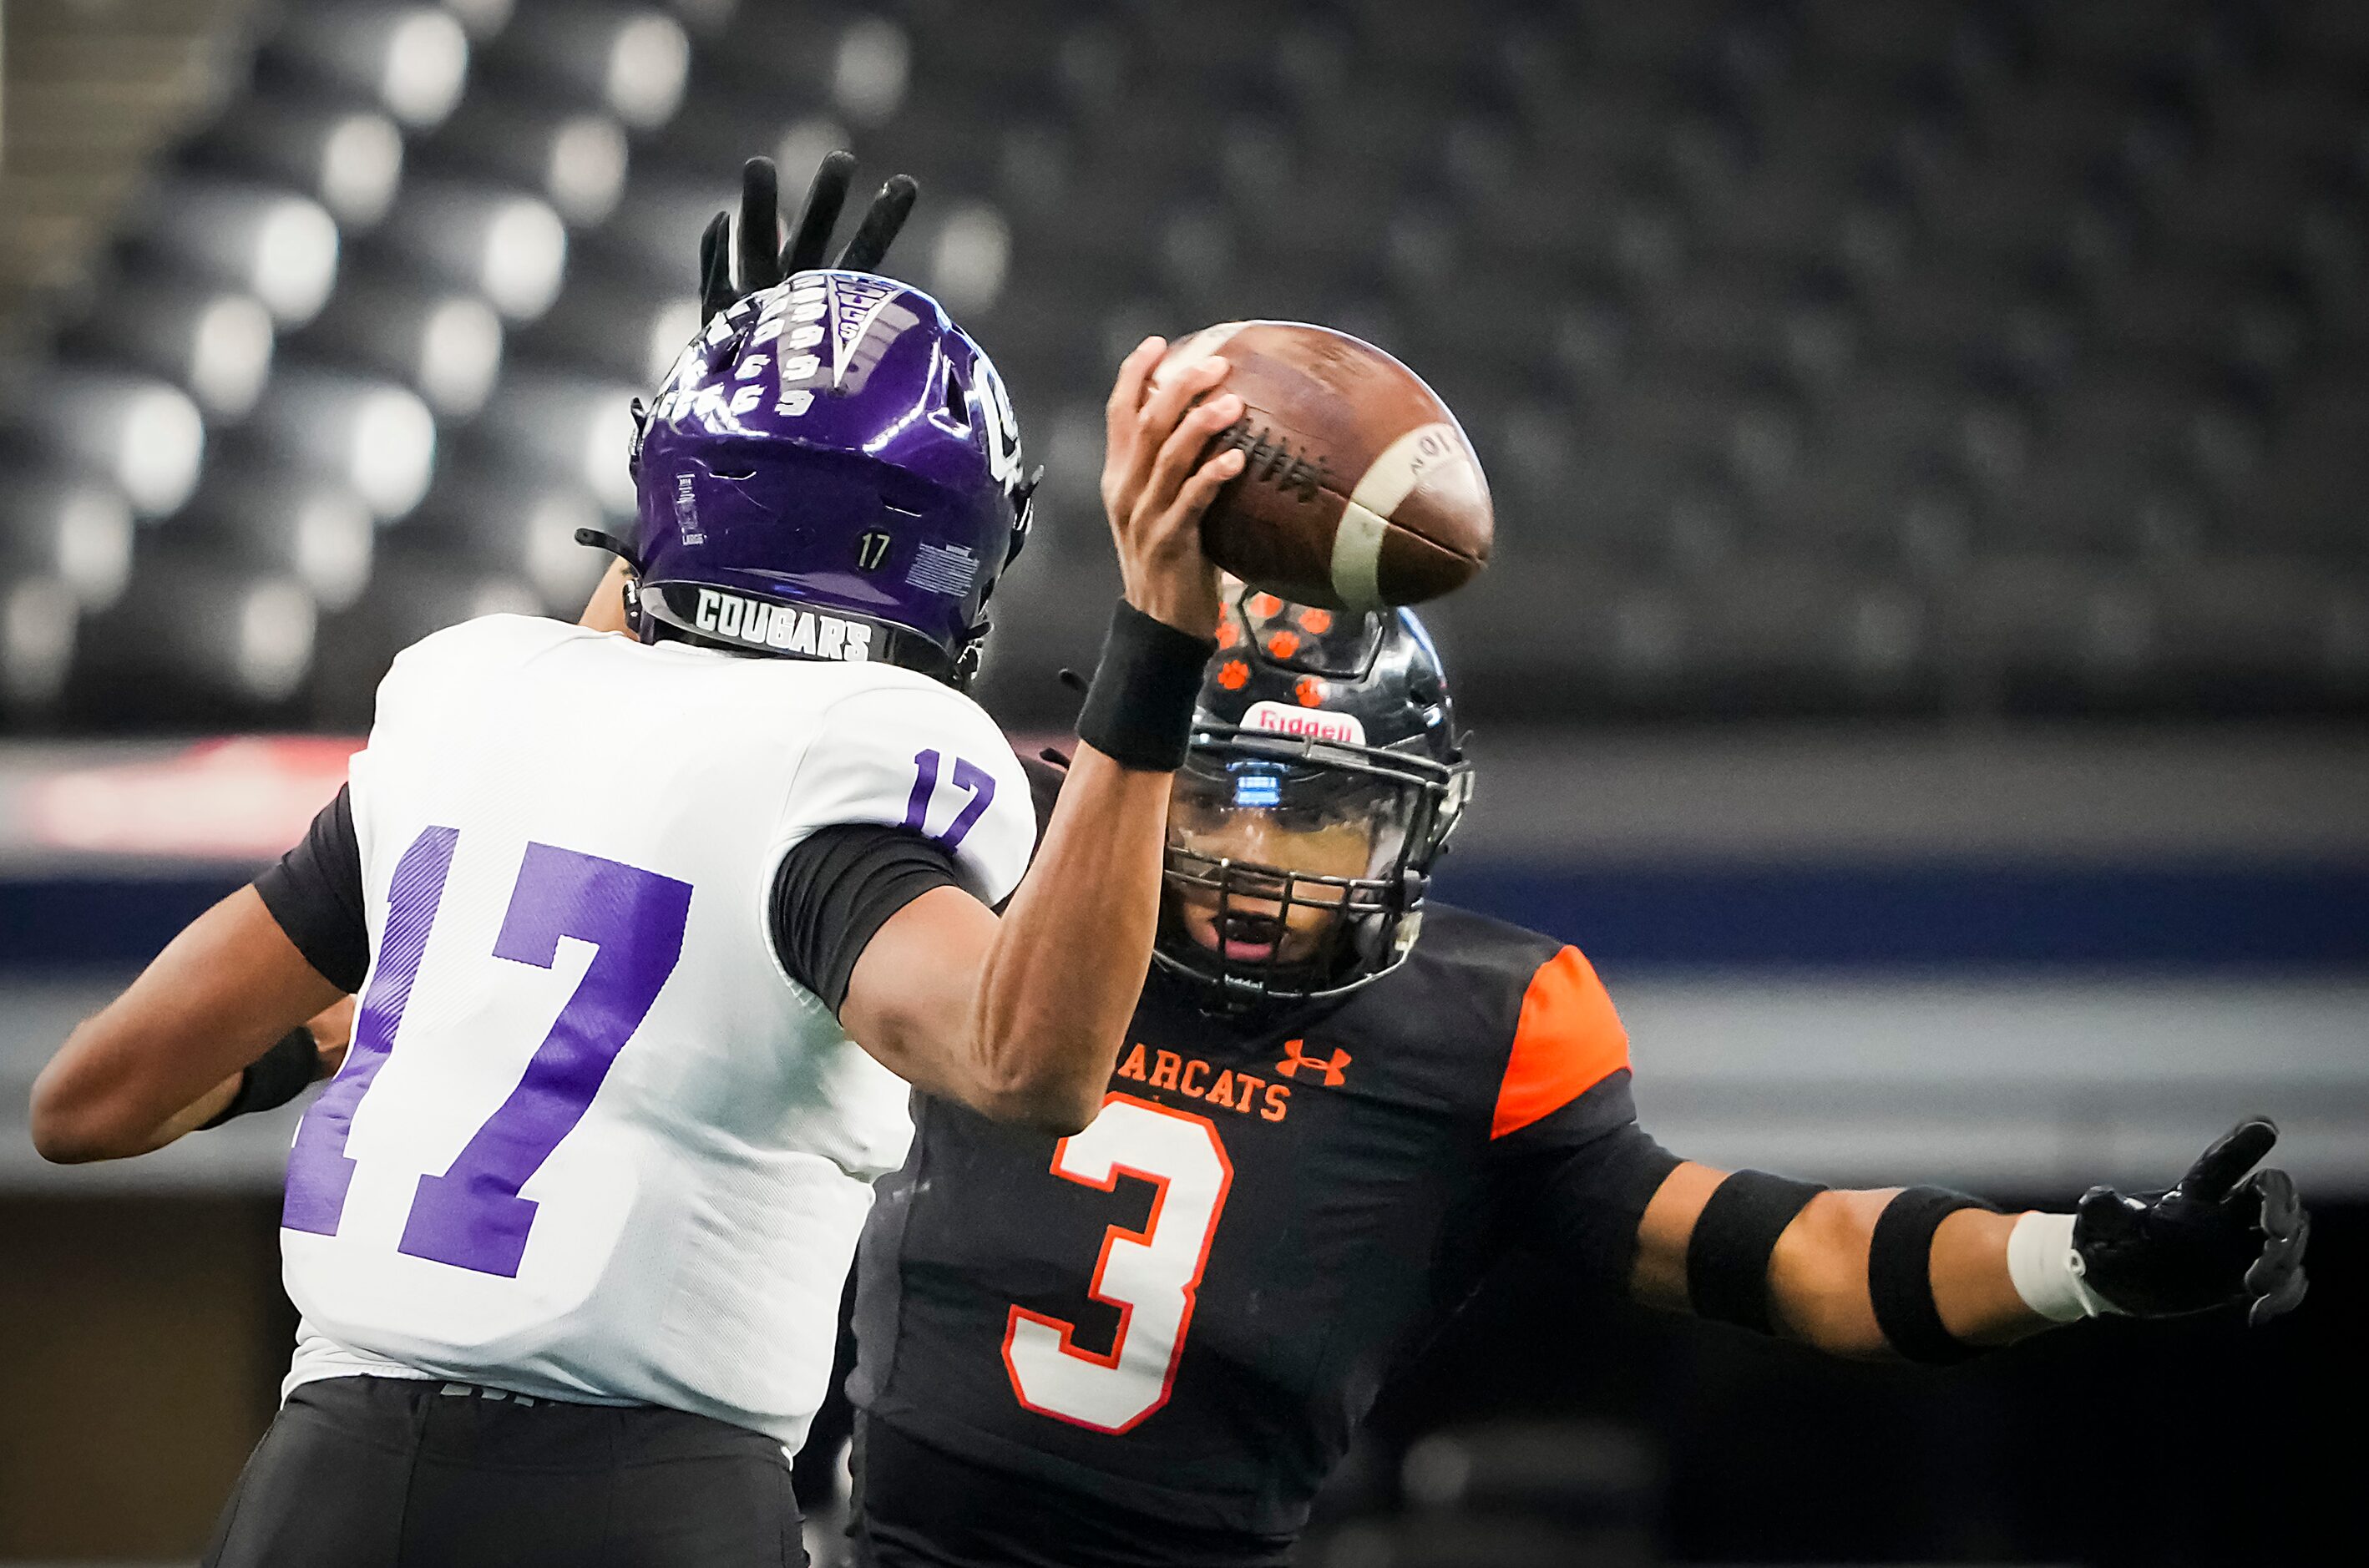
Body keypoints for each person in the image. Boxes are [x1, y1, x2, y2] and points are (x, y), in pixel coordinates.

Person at [28, 157, 1253, 1566]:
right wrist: (1159, 643)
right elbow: (1032, 1060)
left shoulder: (472, 700)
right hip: (645, 1505)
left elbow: (90, 1102)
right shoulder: (848, 759)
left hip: (323, 1490)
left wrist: (332, 1039)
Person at [831, 585, 2312, 1568]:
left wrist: (2074, 1262)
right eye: (1230, 798)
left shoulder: (1479, 1026)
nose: (1265, 865)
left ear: (1415, 833)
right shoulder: (1019, 871)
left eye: (1327, 817)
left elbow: (1792, 1252)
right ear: (1138, 779)